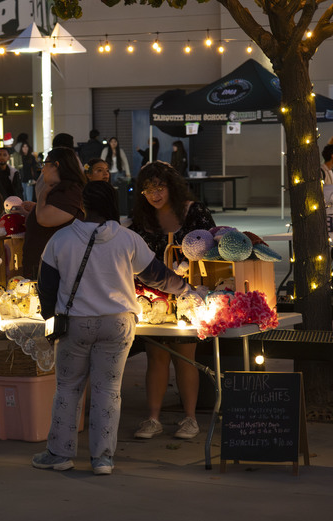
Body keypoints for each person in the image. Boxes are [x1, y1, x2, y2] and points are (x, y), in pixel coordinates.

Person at [33, 181, 196, 475]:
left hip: (75, 325)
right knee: (108, 391)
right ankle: (103, 459)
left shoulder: (61, 239)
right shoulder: (127, 238)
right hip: (118, 324)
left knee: (68, 389)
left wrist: (50, 320)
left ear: (83, 205)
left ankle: (59, 454)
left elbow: (46, 286)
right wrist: (189, 290)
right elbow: (157, 276)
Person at [130, 161, 216, 440]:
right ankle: (153, 418)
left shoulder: (194, 212)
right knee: (156, 356)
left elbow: (214, 247)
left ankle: (190, 418)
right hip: (152, 301)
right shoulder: (142, 220)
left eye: (159, 187)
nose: (154, 194)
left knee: (185, 357)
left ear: (172, 187)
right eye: (147, 190)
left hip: (189, 296)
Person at [22, 147, 86, 279]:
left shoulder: (69, 191)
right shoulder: (61, 189)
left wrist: (42, 195)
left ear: (56, 165)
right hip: (45, 266)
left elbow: (44, 218)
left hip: (55, 270)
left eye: (45, 164)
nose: (43, 169)